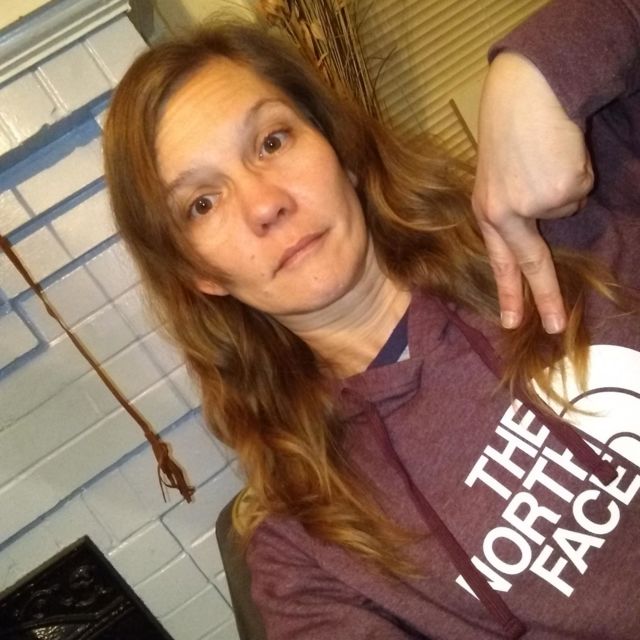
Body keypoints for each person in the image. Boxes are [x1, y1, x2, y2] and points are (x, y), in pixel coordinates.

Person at [103, 0, 640, 637]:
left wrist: (530, 72)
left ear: (340, 149)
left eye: (272, 142)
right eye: (202, 203)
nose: (265, 204)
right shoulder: (303, 548)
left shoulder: (558, 221)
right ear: (200, 275)